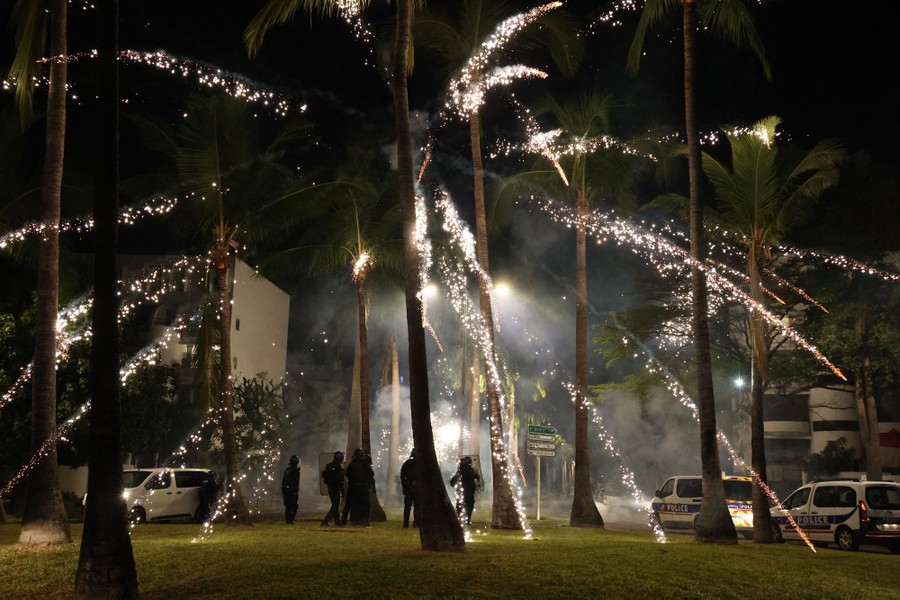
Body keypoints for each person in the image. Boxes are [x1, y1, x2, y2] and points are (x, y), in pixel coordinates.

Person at [343, 448, 373, 526]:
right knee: (365, 504)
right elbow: (371, 473)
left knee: (354, 504)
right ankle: (365, 520)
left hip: (352, 487)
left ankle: (355, 520)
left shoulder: (351, 464)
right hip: (361, 487)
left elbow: (347, 474)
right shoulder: (364, 464)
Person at [450, 456, 480, 526]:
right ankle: (466, 521)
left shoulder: (460, 472)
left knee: (460, 506)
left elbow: (452, 482)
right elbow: (477, 478)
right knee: (468, 507)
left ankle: (460, 520)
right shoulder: (471, 471)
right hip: (469, 492)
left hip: (461, 492)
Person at [321, 450, 345, 526]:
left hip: (330, 487)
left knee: (335, 504)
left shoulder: (329, 466)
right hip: (335, 488)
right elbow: (338, 480)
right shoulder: (338, 467)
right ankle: (326, 520)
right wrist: (341, 489)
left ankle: (337, 521)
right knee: (335, 505)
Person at [400, 448, 418, 528]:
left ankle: (406, 523)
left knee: (408, 506)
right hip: (415, 488)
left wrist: (405, 486)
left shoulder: (407, 463)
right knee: (416, 506)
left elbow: (402, 476)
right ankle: (416, 523)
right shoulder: (420, 464)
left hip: (409, 487)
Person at [281, 455, 301, 524]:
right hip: (292, 491)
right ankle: (290, 520)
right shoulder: (295, 471)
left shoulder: (287, 470)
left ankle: (287, 520)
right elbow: (295, 482)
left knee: (288, 506)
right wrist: (295, 491)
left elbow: (283, 482)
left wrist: (283, 491)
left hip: (285, 490)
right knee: (294, 506)